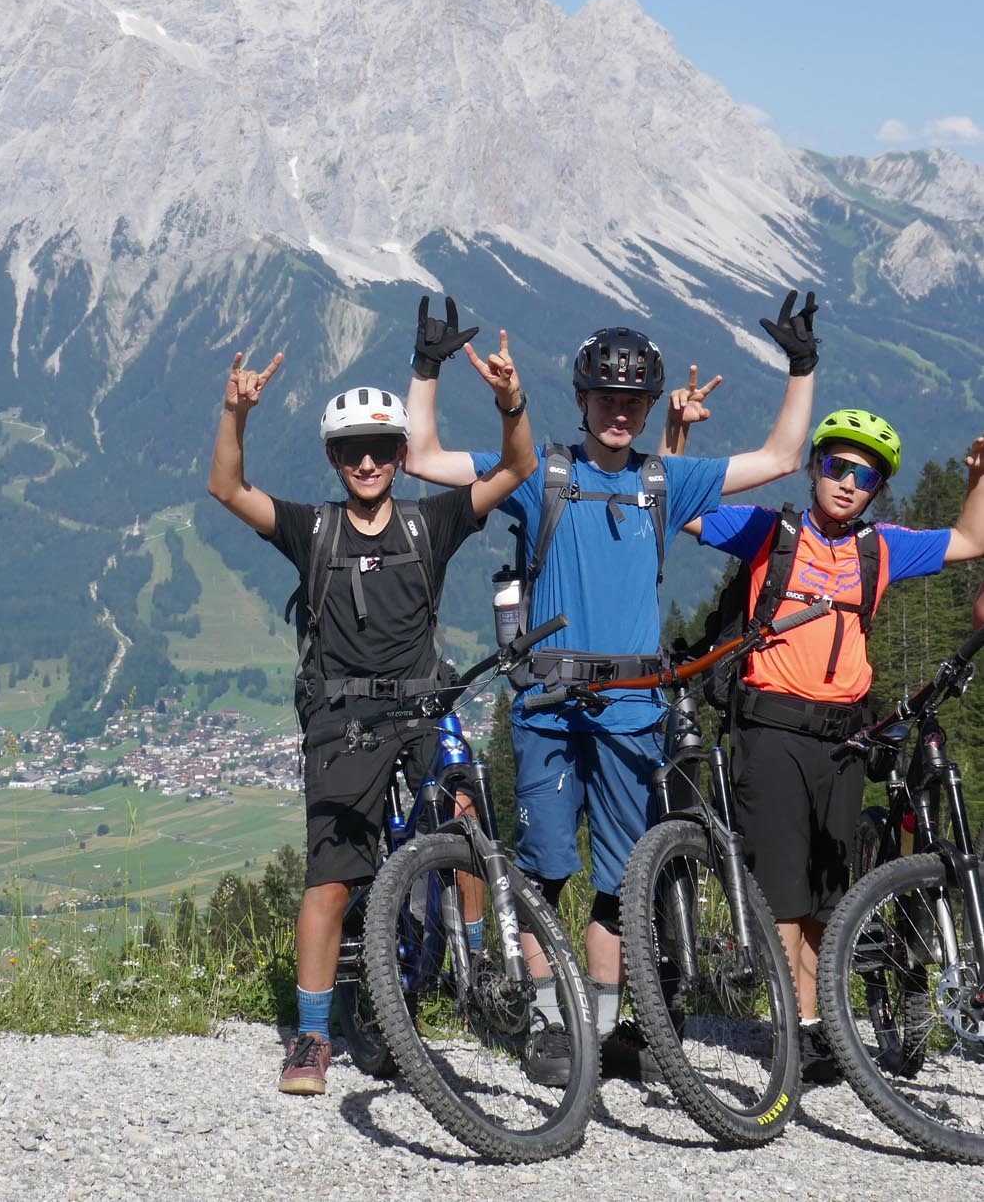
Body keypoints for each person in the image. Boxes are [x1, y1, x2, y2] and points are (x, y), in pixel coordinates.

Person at [403, 290, 820, 1084]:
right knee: (543, 871)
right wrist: (428, 366)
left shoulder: (667, 481)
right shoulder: (539, 474)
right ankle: (546, 1024)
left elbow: (781, 459)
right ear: (584, 399)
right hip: (550, 709)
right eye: (607, 398)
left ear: (645, 404)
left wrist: (802, 367)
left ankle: (600, 1029)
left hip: (635, 709)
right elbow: (421, 456)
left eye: (633, 400)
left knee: (621, 882)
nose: (620, 412)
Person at [206, 323, 535, 1096]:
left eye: (381, 449)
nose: (366, 461)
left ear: (397, 457)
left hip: (425, 706)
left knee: (468, 831)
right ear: (333, 458)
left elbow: (519, 464)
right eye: (352, 450)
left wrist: (510, 401)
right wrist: (235, 414)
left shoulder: (431, 522)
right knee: (328, 883)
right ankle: (312, 1039)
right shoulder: (312, 529)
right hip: (343, 720)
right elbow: (226, 489)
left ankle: (476, 971)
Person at [684, 411, 984, 1083]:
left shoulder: (880, 548)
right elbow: (683, 511)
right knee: (785, 890)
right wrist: (678, 437)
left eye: (866, 476)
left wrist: (979, 476)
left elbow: (970, 538)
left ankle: (814, 1024)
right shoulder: (773, 533)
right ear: (817, 468)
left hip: (845, 737)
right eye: (837, 468)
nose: (849, 483)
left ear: (876, 489)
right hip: (771, 731)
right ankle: (791, 1029)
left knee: (825, 892)